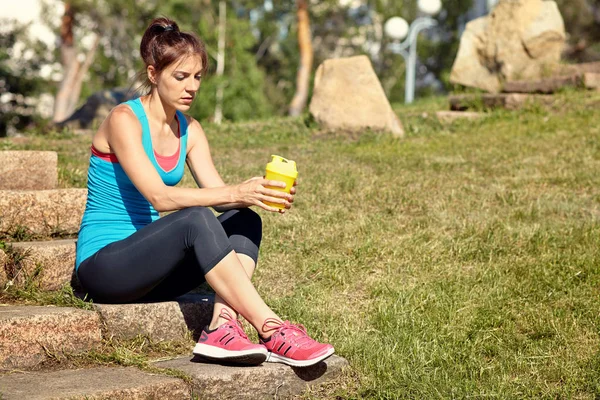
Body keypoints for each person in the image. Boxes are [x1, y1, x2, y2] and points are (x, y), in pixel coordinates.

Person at [74, 17, 334, 368]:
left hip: (154, 272)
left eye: (197, 77)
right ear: (153, 74)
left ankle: (221, 326)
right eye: (180, 77)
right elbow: (160, 198)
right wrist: (236, 191)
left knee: (243, 218)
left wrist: (256, 192)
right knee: (194, 218)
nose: (191, 87)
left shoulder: (190, 129)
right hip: (106, 268)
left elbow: (220, 195)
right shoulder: (124, 119)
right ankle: (272, 329)